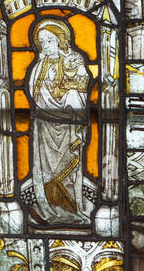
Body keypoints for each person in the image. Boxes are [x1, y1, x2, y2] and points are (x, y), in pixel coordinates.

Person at [22, 16, 94, 227]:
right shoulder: (38, 66)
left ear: (61, 41)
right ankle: (50, 211)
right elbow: (34, 94)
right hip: (44, 126)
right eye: (42, 42)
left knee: (69, 172)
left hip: (69, 128)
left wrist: (69, 92)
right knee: (46, 173)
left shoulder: (73, 61)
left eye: (50, 40)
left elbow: (81, 89)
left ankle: (73, 212)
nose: (45, 45)